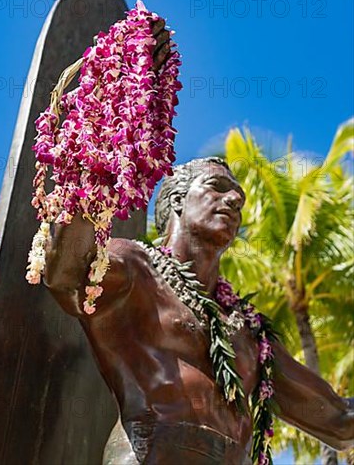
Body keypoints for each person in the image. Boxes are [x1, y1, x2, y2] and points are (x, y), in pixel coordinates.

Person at [43, 23, 354, 464]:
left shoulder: (248, 330)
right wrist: (99, 156)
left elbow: (340, 421)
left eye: (240, 199)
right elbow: (68, 275)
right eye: (216, 187)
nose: (233, 200)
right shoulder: (132, 268)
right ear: (174, 201)